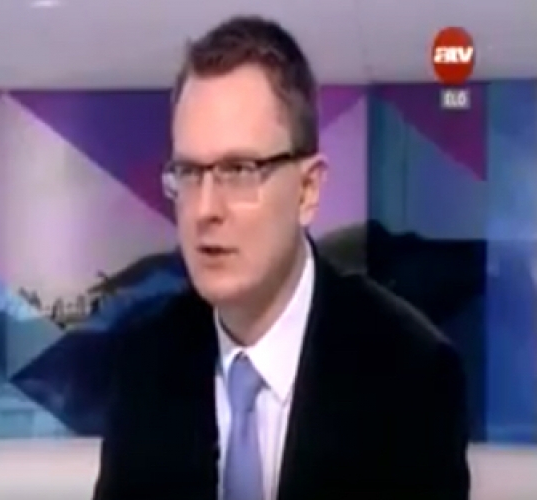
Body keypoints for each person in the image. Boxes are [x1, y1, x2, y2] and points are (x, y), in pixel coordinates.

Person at [93, 15, 470, 500]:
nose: (205, 209)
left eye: (239, 170)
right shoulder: (143, 365)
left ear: (307, 190)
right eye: (188, 172)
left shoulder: (413, 373)